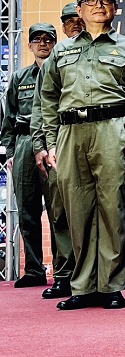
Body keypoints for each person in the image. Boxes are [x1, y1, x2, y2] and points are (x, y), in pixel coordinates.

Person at [40, 0, 125, 310]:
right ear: (79, 10)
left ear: (116, 8)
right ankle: (82, 286)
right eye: (91, 1)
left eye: (105, 0)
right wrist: (51, 142)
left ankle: (110, 286)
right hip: (70, 133)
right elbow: (47, 99)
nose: (99, 6)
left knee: (113, 209)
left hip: (114, 129)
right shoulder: (62, 51)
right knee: (77, 212)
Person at [30, 3, 84, 298]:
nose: (75, 24)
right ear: (62, 26)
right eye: (69, 21)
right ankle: (65, 274)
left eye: (78, 19)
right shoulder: (57, 58)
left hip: (96, 140)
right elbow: (42, 106)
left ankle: (95, 275)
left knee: (97, 213)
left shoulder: (103, 52)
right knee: (61, 212)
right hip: (60, 142)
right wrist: (40, 145)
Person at [1, 23, 60, 289]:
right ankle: (34, 269)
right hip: (25, 142)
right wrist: (11, 152)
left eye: (48, 39)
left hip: (54, 141)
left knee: (59, 210)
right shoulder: (20, 78)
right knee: (27, 210)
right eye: (38, 39)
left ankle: (63, 270)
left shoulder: (61, 72)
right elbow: (9, 118)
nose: (43, 43)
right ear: (29, 45)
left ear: (55, 44)